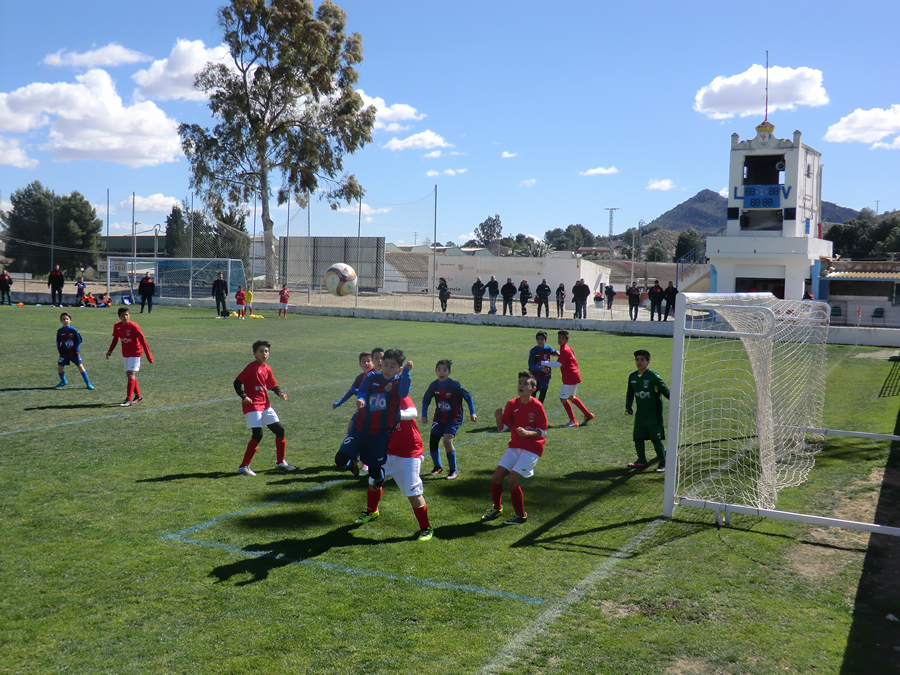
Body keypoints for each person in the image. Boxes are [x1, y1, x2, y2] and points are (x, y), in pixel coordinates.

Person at [342, 348, 413, 525]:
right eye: (382, 362)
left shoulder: (397, 383)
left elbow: (407, 400)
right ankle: (355, 463)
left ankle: (424, 526)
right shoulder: (371, 377)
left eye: (391, 365)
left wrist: (407, 374)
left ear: (399, 368)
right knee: (346, 462)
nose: (386, 367)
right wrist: (361, 400)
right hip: (364, 426)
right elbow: (361, 391)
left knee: (387, 481)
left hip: (385, 437)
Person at [358, 395, 434, 541]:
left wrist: (393, 414)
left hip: (408, 453)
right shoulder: (376, 398)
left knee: (413, 491)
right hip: (387, 451)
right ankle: (371, 511)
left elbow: (413, 413)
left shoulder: (400, 395)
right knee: (374, 481)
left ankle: (426, 528)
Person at [481, 371, 548, 525]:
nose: (521, 385)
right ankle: (497, 508)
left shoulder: (537, 406)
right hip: (515, 447)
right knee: (496, 477)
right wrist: (498, 419)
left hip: (532, 450)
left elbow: (543, 430)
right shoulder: (512, 404)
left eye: (525, 383)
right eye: (520, 382)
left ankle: (520, 515)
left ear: (533, 389)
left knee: (512, 480)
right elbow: (502, 428)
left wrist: (527, 433)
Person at [234, 340, 297, 476]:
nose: (265, 353)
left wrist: (279, 393)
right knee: (258, 435)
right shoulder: (251, 368)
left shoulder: (267, 368)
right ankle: (243, 466)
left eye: (267, 351)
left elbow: (272, 384)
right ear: (255, 354)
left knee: (280, 430)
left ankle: (280, 462)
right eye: (261, 351)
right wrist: (244, 396)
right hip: (253, 406)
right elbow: (237, 383)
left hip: (266, 405)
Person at [421, 359, 476, 480]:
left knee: (447, 440)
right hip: (439, 418)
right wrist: (424, 415)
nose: (442, 372)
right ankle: (437, 467)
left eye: (444, 370)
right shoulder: (433, 385)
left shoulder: (454, 385)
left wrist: (473, 413)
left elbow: (468, 396)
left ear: (449, 372)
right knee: (433, 441)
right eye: (439, 370)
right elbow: (426, 401)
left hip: (454, 418)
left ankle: (453, 470)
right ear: (435, 371)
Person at [625, 349, 670, 472]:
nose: (639, 362)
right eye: (637, 359)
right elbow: (630, 393)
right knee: (637, 437)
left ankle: (663, 462)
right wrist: (628, 406)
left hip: (653, 414)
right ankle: (642, 461)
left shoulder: (653, 377)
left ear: (648, 362)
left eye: (642, 360)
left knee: (656, 438)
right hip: (641, 414)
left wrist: (675, 402)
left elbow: (666, 391)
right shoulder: (633, 377)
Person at [542, 330, 594, 427]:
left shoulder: (565, 350)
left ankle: (573, 420)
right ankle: (587, 414)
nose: (560, 340)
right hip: (573, 375)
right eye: (559, 338)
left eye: (562, 338)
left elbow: (558, 364)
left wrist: (544, 363)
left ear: (567, 340)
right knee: (571, 397)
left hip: (570, 377)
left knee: (563, 398)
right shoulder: (565, 349)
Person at [106, 307, 153, 407]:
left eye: (127, 315)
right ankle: (138, 395)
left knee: (131, 374)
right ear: (119, 317)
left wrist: (149, 356)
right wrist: (110, 350)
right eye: (123, 315)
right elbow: (115, 339)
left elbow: (142, 340)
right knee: (129, 374)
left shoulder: (134, 326)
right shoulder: (117, 326)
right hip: (125, 353)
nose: (125, 317)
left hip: (136, 352)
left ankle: (128, 399)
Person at [56, 312, 94, 390]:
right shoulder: (60, 331)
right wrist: (58, 348)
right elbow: (58, 340)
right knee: (60, 368)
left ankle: (88, 383)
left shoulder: (73, 330)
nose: (65, 321)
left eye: (67, 319)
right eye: (63, 319)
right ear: (61, 321)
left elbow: (79, 340)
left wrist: (77, 349)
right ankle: (63, 381)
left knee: (80, 366)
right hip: (64, 353)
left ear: (70, 320)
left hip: (74, 352)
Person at [528, 331, 558, 403]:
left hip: (545, 376)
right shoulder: (533, 351)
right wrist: (541, 369)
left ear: (545, 340)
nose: (540, 341)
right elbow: (531, 365)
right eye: (538, 339)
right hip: (535, 376)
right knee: (533, 395)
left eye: (542, 339)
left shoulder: (548, 348)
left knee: (542, 394)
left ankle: (539, 410)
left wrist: (560, 354)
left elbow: (556, 353)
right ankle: (531, 410)